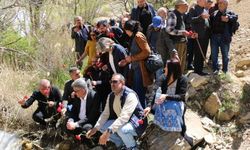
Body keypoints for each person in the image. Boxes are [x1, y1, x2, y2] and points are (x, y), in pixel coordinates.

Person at [86, 74, 147, 149]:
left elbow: (124, 117)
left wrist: (108, 132)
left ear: (122, 83)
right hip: (123, 122)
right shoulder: (111, 95)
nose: (112, 84)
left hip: (137, 123)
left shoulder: (130, 95)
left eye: (115, 82)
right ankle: (121, 144)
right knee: (102, 127)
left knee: (122, 130)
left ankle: (132, 147)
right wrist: (95, 129)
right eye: (111, 82)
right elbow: (105, 113)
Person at [142, 58, 190, 149]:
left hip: (177, 103)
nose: (164, 69)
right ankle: (163, 126)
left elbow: (181, 97)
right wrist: (149, 106)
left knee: (174, 107)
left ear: (172, 69)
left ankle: (181, 131)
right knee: (155, 103)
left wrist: (166, 96)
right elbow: (154, 91)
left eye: (166, 67)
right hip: (163, 101)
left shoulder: (183, 79)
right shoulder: (163, 77)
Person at [120, 20, 154, 108]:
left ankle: (142, 117)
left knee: (140, 93)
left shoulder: (138, 36)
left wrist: (131, 58)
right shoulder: (134, 37)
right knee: (136, 92)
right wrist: (128, 60)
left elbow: (147, 52)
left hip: (141, 69)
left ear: (128, 29)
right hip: (136, 68)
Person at [210, 0, 238, 74]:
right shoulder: (215, 13)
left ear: (226, 4)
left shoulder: (230, 13)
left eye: (221, 3)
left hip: (224, 37)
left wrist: (228, 18)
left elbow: (235, 18)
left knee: (225, 55)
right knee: (214, 54)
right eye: (219, 3)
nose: (219, 4)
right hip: (214, 37)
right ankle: (215, 69)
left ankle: (225, 70)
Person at [166, 0, 190, 74]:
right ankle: (173, 83)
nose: (187, 6)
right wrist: (182, 32)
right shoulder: (173, 14)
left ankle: (179, 82)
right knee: (175, 65)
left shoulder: (181, 15)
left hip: (182, 42)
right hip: (176, 43)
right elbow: (169, 30)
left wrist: (189, 35)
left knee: (181, 65)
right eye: (185, 5)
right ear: (180, 5)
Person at [188, 0, 210, 75]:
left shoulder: (204, 9)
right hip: (198, 35)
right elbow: (190, 20)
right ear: (199, 1)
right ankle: (197, 70)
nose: (206, 1)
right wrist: (201, 17)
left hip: (206, 35)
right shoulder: (193, 9)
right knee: (198, 53)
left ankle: (200, 69)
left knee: (203, 52)